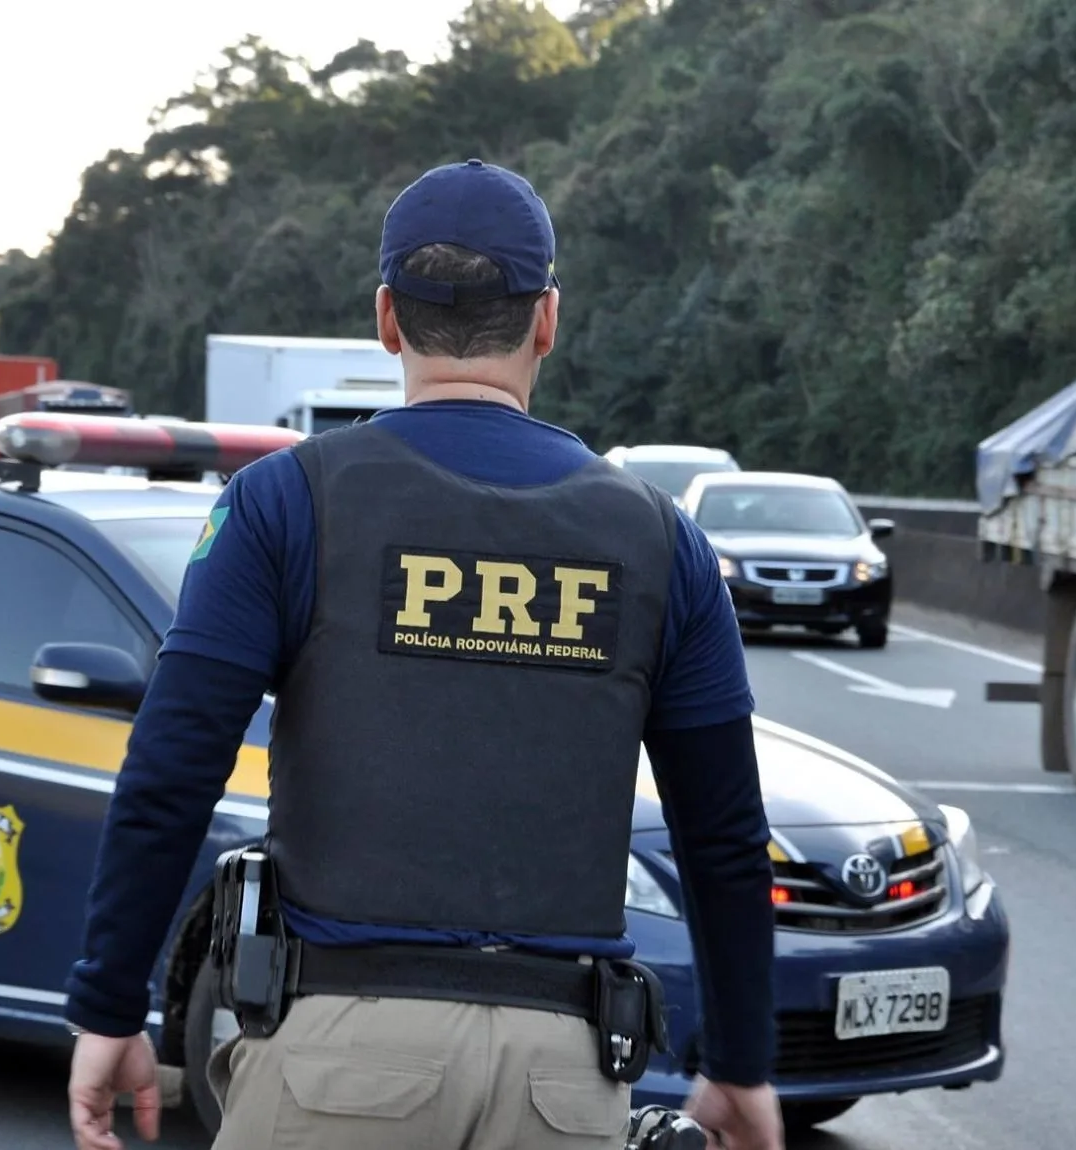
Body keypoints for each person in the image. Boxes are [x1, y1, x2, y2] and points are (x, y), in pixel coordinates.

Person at [61, 158, 785, 1150]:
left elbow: (172, 769)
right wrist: (740, 1062)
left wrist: (110, 1004)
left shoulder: (284, 504)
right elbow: (725, 838)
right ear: (547, 320)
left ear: (387, 318)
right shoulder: (663, 542)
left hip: (332, 1060)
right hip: (564, 1081)